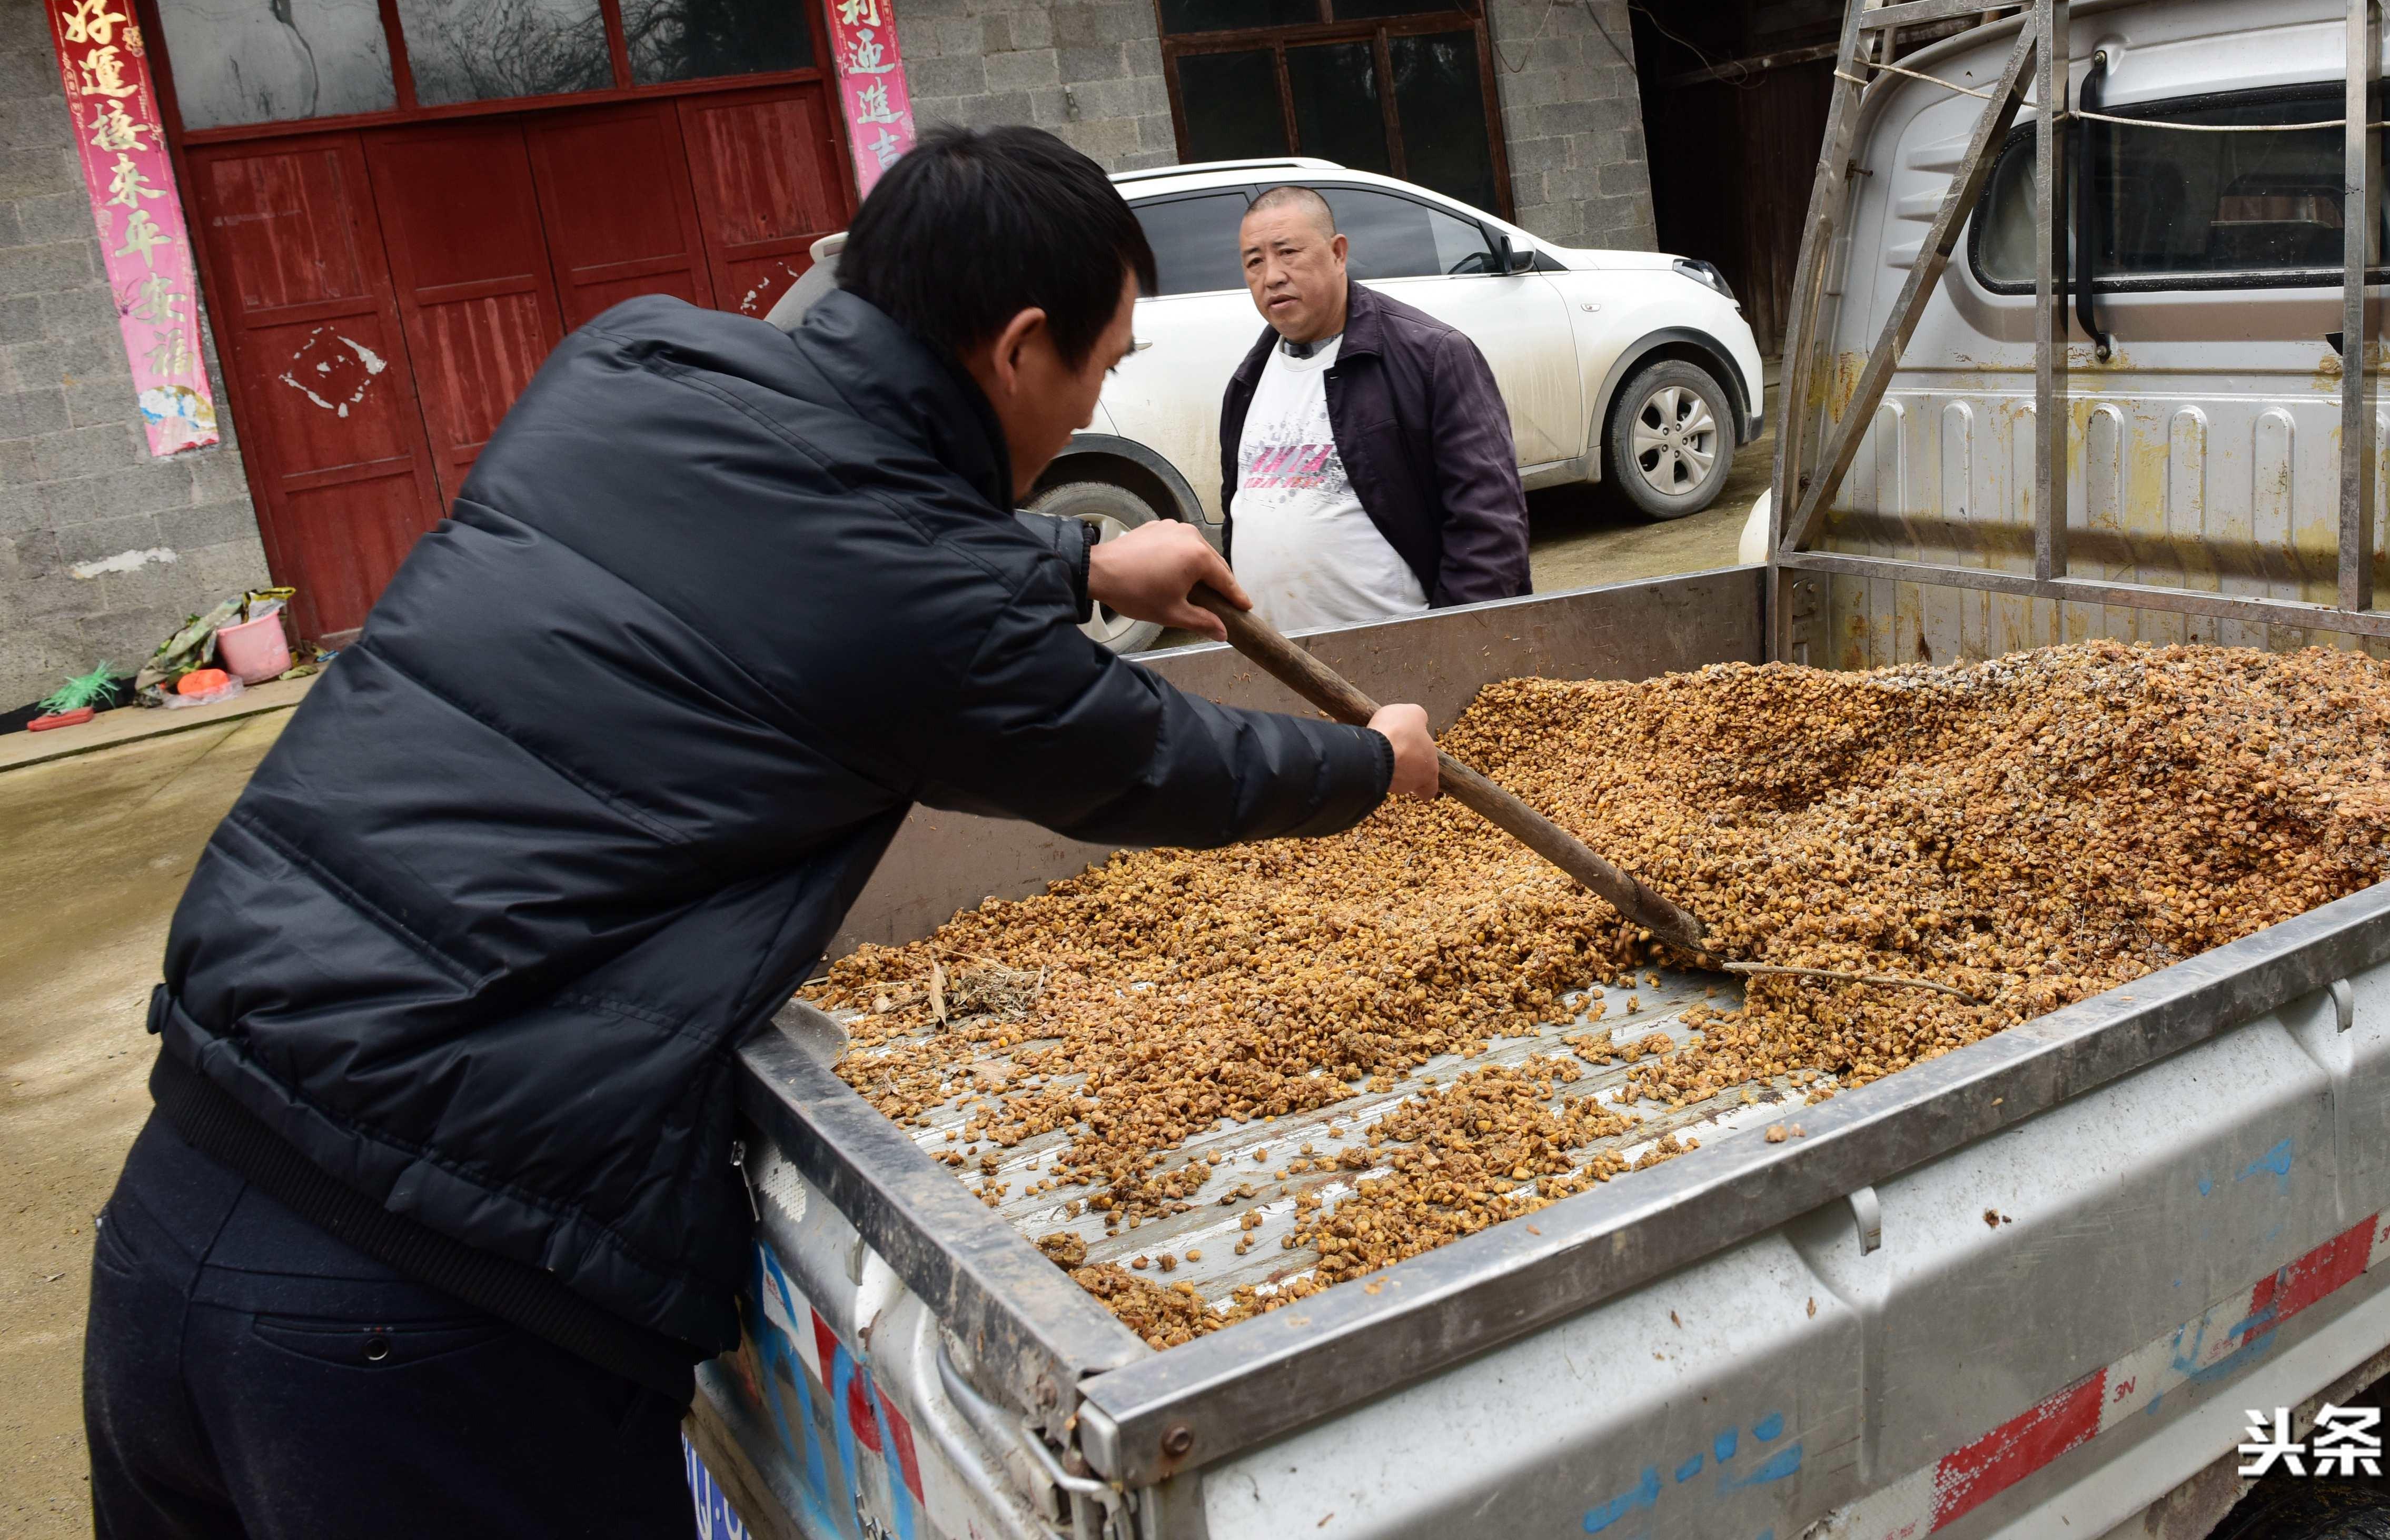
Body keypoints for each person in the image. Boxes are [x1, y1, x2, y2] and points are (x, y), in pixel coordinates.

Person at [83, 126, 1439, 1539]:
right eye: (1101, 368)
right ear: (1021, 349)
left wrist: (1079, 559)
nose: (1096, 399)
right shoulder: (930, 616)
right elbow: (1155, 759)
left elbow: (804, 545)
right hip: (422, 1324)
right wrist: (1366, 762)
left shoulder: (633, 363)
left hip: (176, 1215)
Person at [1220, 184, 1530, 635]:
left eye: (1287, 252)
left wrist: (1455, 645)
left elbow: (1490, 526)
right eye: (1254, 261)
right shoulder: (1248, 382)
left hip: (1404, 666)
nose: (1272, 276)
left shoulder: (1432, 357)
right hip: (1284, 670)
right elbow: (1236, 515)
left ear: (1338, 253)